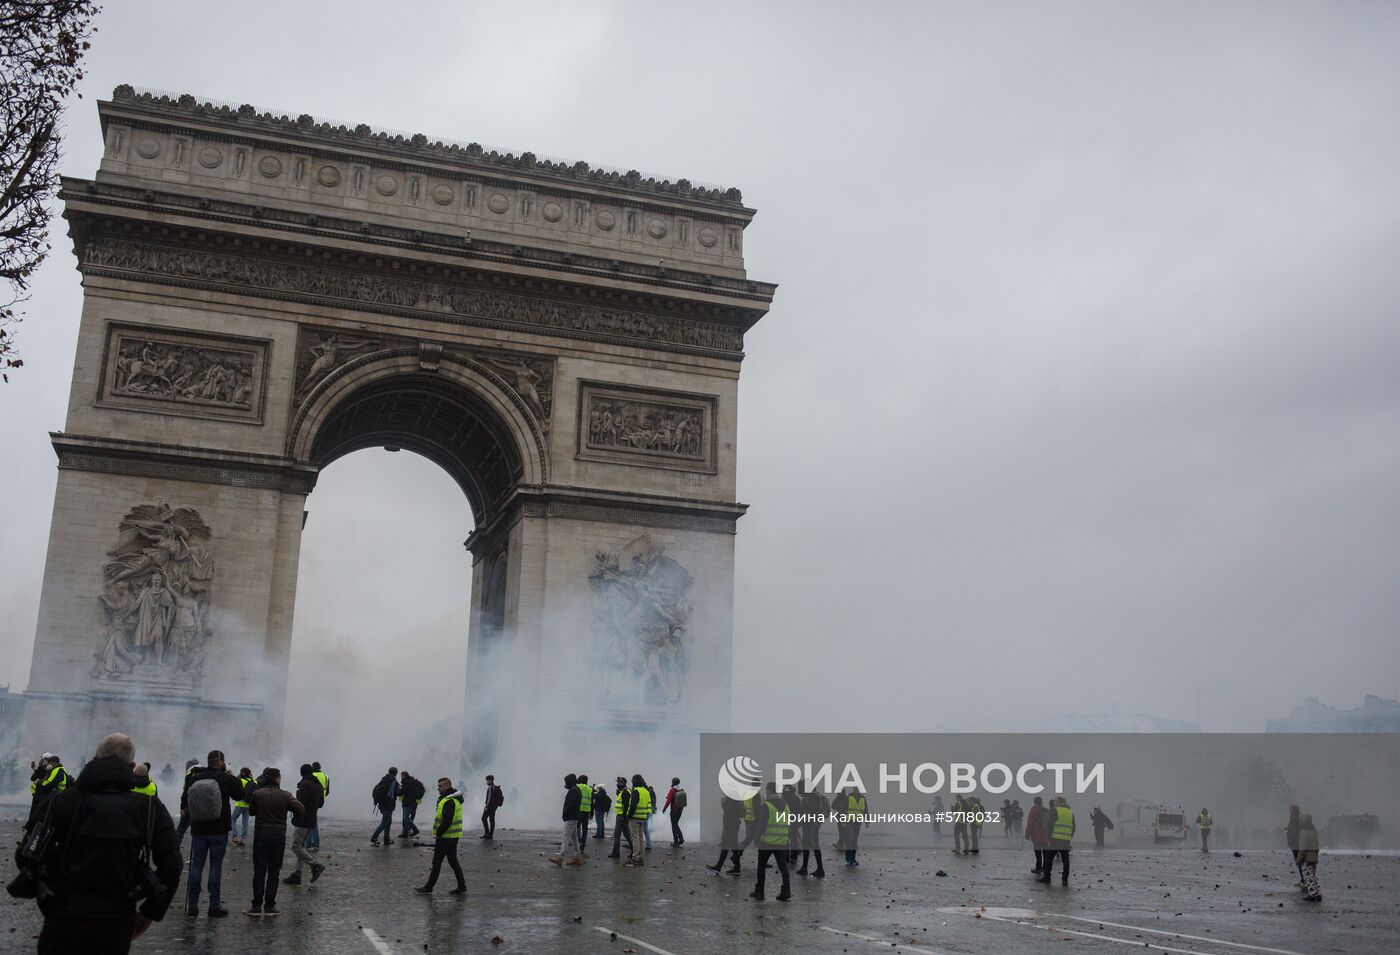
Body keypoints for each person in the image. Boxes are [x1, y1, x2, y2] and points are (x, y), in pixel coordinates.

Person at [25, 733, 183, 955]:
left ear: (94, 759)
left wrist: (49, 898)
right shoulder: (148, 807)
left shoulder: (60, 801)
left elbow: (26, 856)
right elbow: (172, 867)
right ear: (132, 765)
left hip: (62, 917)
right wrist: (149, 913)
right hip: (115, 921)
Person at [180, 749, 245, 918]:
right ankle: (214, 905)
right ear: (221, 762)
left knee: (196, 867)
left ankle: (193, 906)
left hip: (199, 828)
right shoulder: (224, 778)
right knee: (215, 867)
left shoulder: (194, 778)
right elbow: (240, 793)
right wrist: (229, 771)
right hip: (219, 828)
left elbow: (184, 800)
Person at [245, 767, 305, 916]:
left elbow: (251, 811)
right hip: (278, 837)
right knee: (274, 872)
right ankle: (270, 906)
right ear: (278, 779)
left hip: (261, 835)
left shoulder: (257, 794)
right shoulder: (285, 795)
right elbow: (301, 809)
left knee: (259, 871)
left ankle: (256, 906)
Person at [416, 778, 467, 894]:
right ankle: (462, 886)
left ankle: (429, 887)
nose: (438, 788)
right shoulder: (452, 799)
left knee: (437, 863)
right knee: (453, 862)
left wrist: (439, 832)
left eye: (440, 786)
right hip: (452, 836)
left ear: (447, 786)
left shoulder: (449, 801)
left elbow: (447, 820)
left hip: (445, 837)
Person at [283, 764, 326, 886]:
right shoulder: (318, 784)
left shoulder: (305, 784)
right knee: (301, 846)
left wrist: (294, 813)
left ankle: (315, 865)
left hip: (303, 820)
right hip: (312, 819)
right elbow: (321, 803)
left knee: (296, 846)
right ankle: (297, 874)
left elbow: (300, 804)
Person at [749, 783, 792, 902]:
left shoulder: (766, 805)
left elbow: (761, 824)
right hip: (782, 842)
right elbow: (788, 823)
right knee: (783, 867)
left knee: (761, 866)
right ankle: (786, 891)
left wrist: (756, 839)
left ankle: (760, 891)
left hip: (767, 842)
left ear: (768, 790)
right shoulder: (786, 805)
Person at [26, 753, 70, 833]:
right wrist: (37, 769)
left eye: (47, 762)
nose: (46, 764)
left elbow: (48, 785)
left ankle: (34, 834)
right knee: (36, 816)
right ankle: (31, 833)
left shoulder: (57, 771)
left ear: (53, 762)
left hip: (52, 798)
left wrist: (40, 782)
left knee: (42, 818)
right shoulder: (50, 770)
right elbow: (34, 778)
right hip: (43, 796)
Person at [1038, 795, 1075, 886]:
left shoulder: (1056, 811)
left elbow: (1050, 825)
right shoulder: (1070, 813)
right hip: (1066, 840)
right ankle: (1064, 880)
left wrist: (1049, 837)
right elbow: (1074, 827)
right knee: (1065, 861)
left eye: (1056, 801)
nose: (1054, 803)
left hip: (1055, 839)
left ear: (1059, 802)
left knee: (1049, 858)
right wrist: (1069, 837)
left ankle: (1047, 877)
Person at [706, 792, 746, 874]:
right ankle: (737, 867)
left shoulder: (731, 798)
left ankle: (718, 867)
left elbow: (729, 810)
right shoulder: (738, 796)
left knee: (725, 845)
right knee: (734, 846)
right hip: (735, 823)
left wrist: (723, 803)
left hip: (730, 825)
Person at [550, 773, 585, 866]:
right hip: (575, 816)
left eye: (566, 782)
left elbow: (571, 805)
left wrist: (565, 814)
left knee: (566, 835)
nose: (566, 784)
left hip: (571, 816)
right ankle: (576, 858)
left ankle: (561, 857)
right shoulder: (576, 789)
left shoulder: (573, 791)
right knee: (574, 838)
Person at [797, 785, 828, 877]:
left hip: (811, 825)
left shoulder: (812, 797)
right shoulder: (812, 796)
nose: (800, 791)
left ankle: (819, 869)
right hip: (810, 824)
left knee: (814, 845)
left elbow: (811, 812)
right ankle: (805, 867)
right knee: (807, 845)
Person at [836, 786, 867, 866]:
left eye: (856, 789)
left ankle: (853, 859)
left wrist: (867, 821)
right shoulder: (849, 797)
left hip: (857, 822)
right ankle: (848, 857)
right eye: (854, 789)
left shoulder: (863, 799)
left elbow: (865, 810)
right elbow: (843, 809)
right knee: (850, 838)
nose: (855, 791)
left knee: (854, 841)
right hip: (849, 821)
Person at [626, 773, 652, 866]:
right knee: (641, 838)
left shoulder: (635, 791)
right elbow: (649, 805)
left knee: (635, 838)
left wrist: (629, 815)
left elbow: (633, 805)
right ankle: (641, 857)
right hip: (643, 817)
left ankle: (635, 858)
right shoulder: (646, 791)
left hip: (635, 817)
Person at [371, 766, 399, 846]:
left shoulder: (384, 779)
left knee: (388, 821)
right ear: (396, 773)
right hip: (388, 806)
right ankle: (374, 837)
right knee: (384, 823)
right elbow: (398, 792)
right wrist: (402, 789)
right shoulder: (393, 781)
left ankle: (386, 839)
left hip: (382, 805)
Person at [608, 775, 634, 858]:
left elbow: (626, 805)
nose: (618, 784)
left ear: (623, 783)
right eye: (617, 782)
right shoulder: (626, 791)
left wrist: (623, 815)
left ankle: (616, 852)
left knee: (617, 835)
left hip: (621, 816)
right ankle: (634, 850)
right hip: (623, 816)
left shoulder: (625, 792)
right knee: (627, 834)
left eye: (619, 782)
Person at [306, 761, 329, 850]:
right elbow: (327, 791)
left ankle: (310, 843)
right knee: (313, 820)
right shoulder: (325, 776)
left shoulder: (310, 776)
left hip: (311, 800)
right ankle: (315, 843)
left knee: (311, 821)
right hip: (320, 800)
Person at [1297, 812, 1321, 901]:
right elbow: (1317, 845)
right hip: (1314, 856)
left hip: (1307, 857)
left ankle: (1312, 894)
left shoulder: (1303, 832)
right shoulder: (1314, 831)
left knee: (1308, 877)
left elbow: (1303, 847)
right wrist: (1316, 854)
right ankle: (1317, 893)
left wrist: (1299, 859)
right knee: (1314, 876)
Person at [174, 758, 198, 845]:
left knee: (181, 828)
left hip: (189, 806)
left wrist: (182, 807)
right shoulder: (204, 772)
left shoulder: (189, 774)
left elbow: (185, 792)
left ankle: (175, 847)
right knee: (198, 832)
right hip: (201, 807)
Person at [231, 767, 255, 847]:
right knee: (245, 822)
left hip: (240, 804)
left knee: (232, 819)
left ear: (243, 773)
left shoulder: (241, 781)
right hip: (248, 805)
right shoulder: (253, 781)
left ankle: (235, 836)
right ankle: (243, 839)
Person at [1025, 796, 1050, 872]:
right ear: (1041, 802)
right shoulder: (1046, 810)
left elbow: (1030, 823)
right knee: (1045, 852)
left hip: (1036, 834)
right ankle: (1045, 867)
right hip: (1045, 834)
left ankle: (1038, 867)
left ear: (1035, 802)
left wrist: (1027, 834)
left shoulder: (1034, 810)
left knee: (1038, 852)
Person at [401, 770, 425, 840]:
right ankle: (405, 833)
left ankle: (415, 829)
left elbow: (402, 792)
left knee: (405, 817)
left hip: (408, 802)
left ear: (403, 775)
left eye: (401, 776)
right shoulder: (414, 781)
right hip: (414, 802)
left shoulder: (406, 782)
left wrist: (398, 790)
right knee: (409, 816)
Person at [663, 777, 687, 846]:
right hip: (680, 809)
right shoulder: (682, 790)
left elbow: (668, 801)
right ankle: (680, 839)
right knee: (676, 824)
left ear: (673, 782)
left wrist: (664, 809)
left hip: (674, 810)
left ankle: (677, 841)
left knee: (674, 825)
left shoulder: (672, 790)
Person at [480, 773, 503, 839]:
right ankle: (490, 835)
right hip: (494, 807)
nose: (486, 782)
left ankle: (487, 833)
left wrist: (486, 806)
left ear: (490, 780)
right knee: (491, 820)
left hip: (490, 806)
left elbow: (489, 798)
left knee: (483, 818)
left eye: (487, 780)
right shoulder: (495, 787)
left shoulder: (490, 787)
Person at [574, 774, 593, 850]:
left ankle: (578, 843)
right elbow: (591, 802)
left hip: (579, 810)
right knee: (585, 829)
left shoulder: (577, 787)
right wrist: (592, 812)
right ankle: (583, 845)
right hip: (587, 811)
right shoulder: (589, 789)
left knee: (577, 828)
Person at [1285, 805, 1303, 882]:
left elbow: (1295, 830)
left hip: (1295, 843)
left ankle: (1304, 879)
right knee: (1299, 861)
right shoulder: (1294, 817)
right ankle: (1303, 878)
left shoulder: (1295, 817)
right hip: (1295, 842)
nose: (1289, 810)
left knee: (1299, 861)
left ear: (1294, 809)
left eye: (1290, 808)